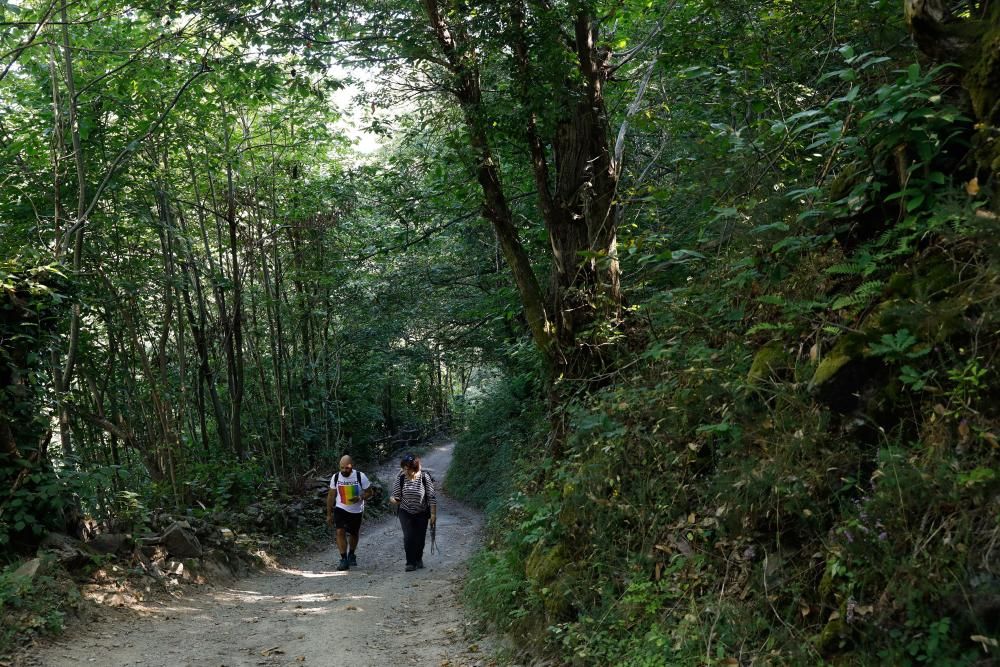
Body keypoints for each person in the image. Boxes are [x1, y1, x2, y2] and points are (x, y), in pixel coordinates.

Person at [389, 453, 437, 572]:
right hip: (405, 511)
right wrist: (393, 500)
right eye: (403, 468)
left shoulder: (424, 477)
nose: (405, 471)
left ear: (414, 468)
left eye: (407, 468)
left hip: (422, 512)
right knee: (409, 537)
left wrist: (433, 514)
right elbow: (395, 497)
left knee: (420, 538)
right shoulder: (400, 478)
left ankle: (418, 558)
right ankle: (410, 562)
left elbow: (431, 497)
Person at [326, 455, 372, 571]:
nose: (344, 470)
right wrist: (329, 514)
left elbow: (370, 493)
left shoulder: (360, 476)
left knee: (354, 533)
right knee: (340, 531)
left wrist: (360, 497)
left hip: (356, 510)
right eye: (342, 468)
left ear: (352, 466)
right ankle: (343, 559)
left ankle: (351, 554)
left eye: (347, 468)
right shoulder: (335, 477)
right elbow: (331, 495)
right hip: (340, 508)